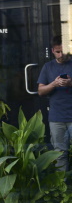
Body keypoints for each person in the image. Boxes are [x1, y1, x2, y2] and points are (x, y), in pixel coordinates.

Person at [38, 36, 72, 172]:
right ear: (52, 51)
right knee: (59, 154)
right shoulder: (48, 67)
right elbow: (40, 91)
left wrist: (70, 83)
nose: (61, 54)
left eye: (63, 51)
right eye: (58, 52)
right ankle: (62, 184)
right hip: (57, 118)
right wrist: (54, 84)